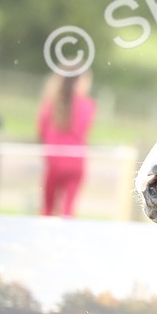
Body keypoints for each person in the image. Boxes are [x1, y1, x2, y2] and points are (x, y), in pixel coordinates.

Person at [37, 71, 96, 217]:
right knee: (68, 210)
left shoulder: (50, 104)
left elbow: (42, 130)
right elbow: (84, 129)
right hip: (75, 162)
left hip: (53, 160)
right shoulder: (87, 106)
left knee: (47, 208)